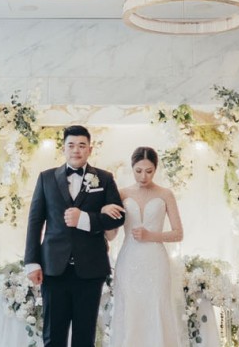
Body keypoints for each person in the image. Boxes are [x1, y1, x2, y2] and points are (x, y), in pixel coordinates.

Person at [24, 125, 125, 347]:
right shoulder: (46, 178)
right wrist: (32, 261)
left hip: (90, 270)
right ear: (63, 148)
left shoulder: (105, 178)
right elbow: (35, 221)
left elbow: (118, 218)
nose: (76, 150)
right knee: (53, 336)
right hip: (53, 269)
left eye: (81, 145)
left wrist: (85, 219)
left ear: (90, 149)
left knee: (84, 337)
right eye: (71, 145)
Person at [107, 147, 188, 347]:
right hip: (129, 261)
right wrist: (104, 213)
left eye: (149, 171)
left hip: (155, 261)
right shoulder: (122, 194)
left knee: (157, 308)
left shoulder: (165, 194)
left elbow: (178, 233)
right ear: (132, 168)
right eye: (139, 171)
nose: (144, 176)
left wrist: (151, 236)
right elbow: (111, 235)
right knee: (129, 309)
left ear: (155, 169)